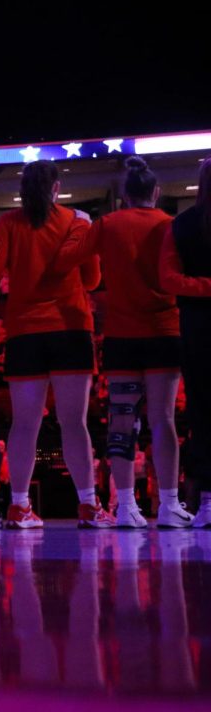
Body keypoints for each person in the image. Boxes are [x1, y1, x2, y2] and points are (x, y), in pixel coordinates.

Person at [0, 161, 111, 528]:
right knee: (74, 424)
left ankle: (18, 506)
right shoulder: (77, 222)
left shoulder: (9, 223)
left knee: (24, 425)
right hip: (70, 328)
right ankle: (89, 506)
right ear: (56, 188)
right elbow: (93, 279)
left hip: (24, 332)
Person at [56, 157, 190, 528]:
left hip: (121, 337)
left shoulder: (107, 224)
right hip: (164, 333)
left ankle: (126, 507)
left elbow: (68, 259)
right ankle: (168, 505)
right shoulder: (171, 224)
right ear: (157, 193)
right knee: (163, 420)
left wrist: (79, 226)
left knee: (122, 421)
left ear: (125, 196)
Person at [158, 157, 211, 528]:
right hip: (197, 330)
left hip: (196, 328)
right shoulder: (182, 225)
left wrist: (202, 288)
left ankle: (207, 502)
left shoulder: (181, 224)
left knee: (203, 415)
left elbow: (169, 279)